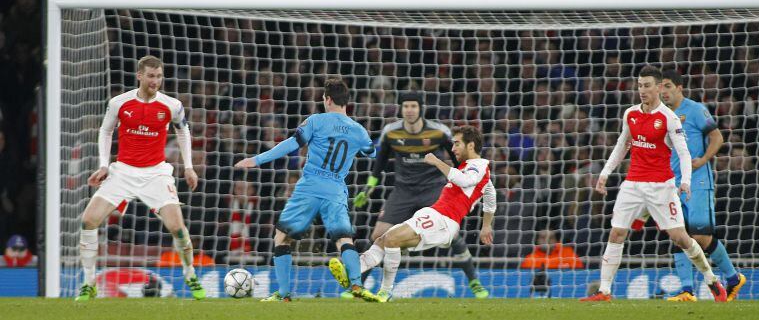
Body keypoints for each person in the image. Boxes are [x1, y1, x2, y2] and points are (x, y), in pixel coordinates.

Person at [580, 66, 726, 302]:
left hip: (662, 186)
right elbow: (622, 145)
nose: (642, 90)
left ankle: (711, 280)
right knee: (616, 233)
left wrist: (686, 181)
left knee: (681, 237)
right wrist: (605, 172)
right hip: (633, 184)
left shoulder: (669, 118)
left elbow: (684, 153)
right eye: (639, 85)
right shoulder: (631, 114)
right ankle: (604, 290)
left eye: (647, 85)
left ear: (658, 87)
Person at [234, 78, 379, 302]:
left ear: (327, 99)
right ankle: (357, 286)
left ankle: (283, 294)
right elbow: (372, 153)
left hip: (310, 188)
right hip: (336, 190)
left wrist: (257, 159)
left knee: (282, 238)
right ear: (346, 102)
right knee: (344, 239)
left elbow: (292, 144)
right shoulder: (358, 130)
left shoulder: (316, 121)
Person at [76, 55, 204, 301]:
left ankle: (190, 275)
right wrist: (104, 165)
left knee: (177, 227)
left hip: (156, 173)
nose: (156, 81)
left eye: (159, 76)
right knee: (88, 221)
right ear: (140, 76)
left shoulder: (172, 105)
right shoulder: (119, 103)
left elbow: (183, 130)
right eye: (151, 76)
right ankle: (88, 283)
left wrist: (188, 167)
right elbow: (105, 130)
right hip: (123, 171)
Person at [329, 125, 496, 302]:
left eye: (457, 144)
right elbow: (491, 198)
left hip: (443, 219)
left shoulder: (478, 166)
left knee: (392, 239)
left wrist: (438, 162)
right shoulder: (474, 169)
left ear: (470, 146)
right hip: (435, 215)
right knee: (384, 240)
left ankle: (380, 288)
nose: (452, 148)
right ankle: (365, 281)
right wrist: (486, 226)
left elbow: (464, 181)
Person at [660, 70, 746, 301]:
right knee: (679, 235)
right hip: (672, 183)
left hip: (698, 181)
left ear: (679, 87)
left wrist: (704, 159)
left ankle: (732, 277)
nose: (663, 91)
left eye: (667, 86)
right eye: (661, 87)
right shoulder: (662, 115)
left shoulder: (696, 109)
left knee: (700, 236)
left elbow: (718, 137)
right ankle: (687, 290)